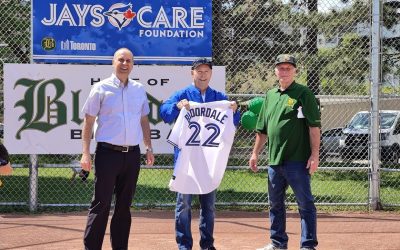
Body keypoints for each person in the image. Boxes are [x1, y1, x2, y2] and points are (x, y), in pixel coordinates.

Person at [160, 58, 240, 250]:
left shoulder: (219, 96)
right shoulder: (183, 94)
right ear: (192, 73)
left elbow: (233, 122)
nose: (202, 74)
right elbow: (165, 113)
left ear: (211, 74)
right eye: (199, 71)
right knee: (184, 206)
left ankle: (207, 244)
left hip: (209, 160)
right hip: (186, 160)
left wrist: (235, 111)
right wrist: (177, 107)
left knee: (209, 206)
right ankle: (184, 245)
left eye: (206, 71)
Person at [80, 48, 155, 250]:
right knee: (101, 204)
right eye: (121, 60)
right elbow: (88, 121)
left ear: (133, 64)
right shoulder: (100, 88)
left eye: (128, 60)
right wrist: (85, 153)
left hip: (132, 155)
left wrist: (148, 147)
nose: (124, 63)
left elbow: (144, 120)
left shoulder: (139, 89)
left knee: (124, 207)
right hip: (107, 154)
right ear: (113, 62)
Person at [249, 54, 320, 250]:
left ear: (295, 71)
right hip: (274, 161)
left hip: (297, 160)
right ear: (275, 71)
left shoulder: (304, 93)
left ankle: (308, 245)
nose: (285, 71)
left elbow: (314, 127)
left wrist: (315, 155)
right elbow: (262, 130)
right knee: (275, 205)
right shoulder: (270, 95)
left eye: (289, 68)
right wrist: (255, 153)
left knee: (305, 204)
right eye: (281, 68)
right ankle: (278, 243)